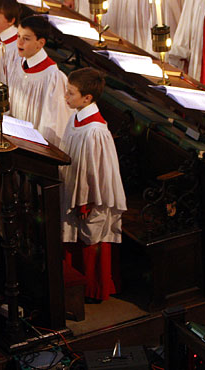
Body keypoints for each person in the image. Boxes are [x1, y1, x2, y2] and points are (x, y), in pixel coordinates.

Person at [60, 68, 127, 302]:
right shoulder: (75, 117)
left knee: (91, 239)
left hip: (90, 199)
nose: (66, 97)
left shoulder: (96, 130)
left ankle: (94, 288)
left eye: (70, 93)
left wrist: (87, 199)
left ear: (87, 98)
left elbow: (99, 171)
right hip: (72, 189)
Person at [10, 15, 73, 145]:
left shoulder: (53, 77)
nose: (19, 43)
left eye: (26, 39)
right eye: (18, 36)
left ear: (41, 43)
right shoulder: (17, 64)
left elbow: (53, 125)